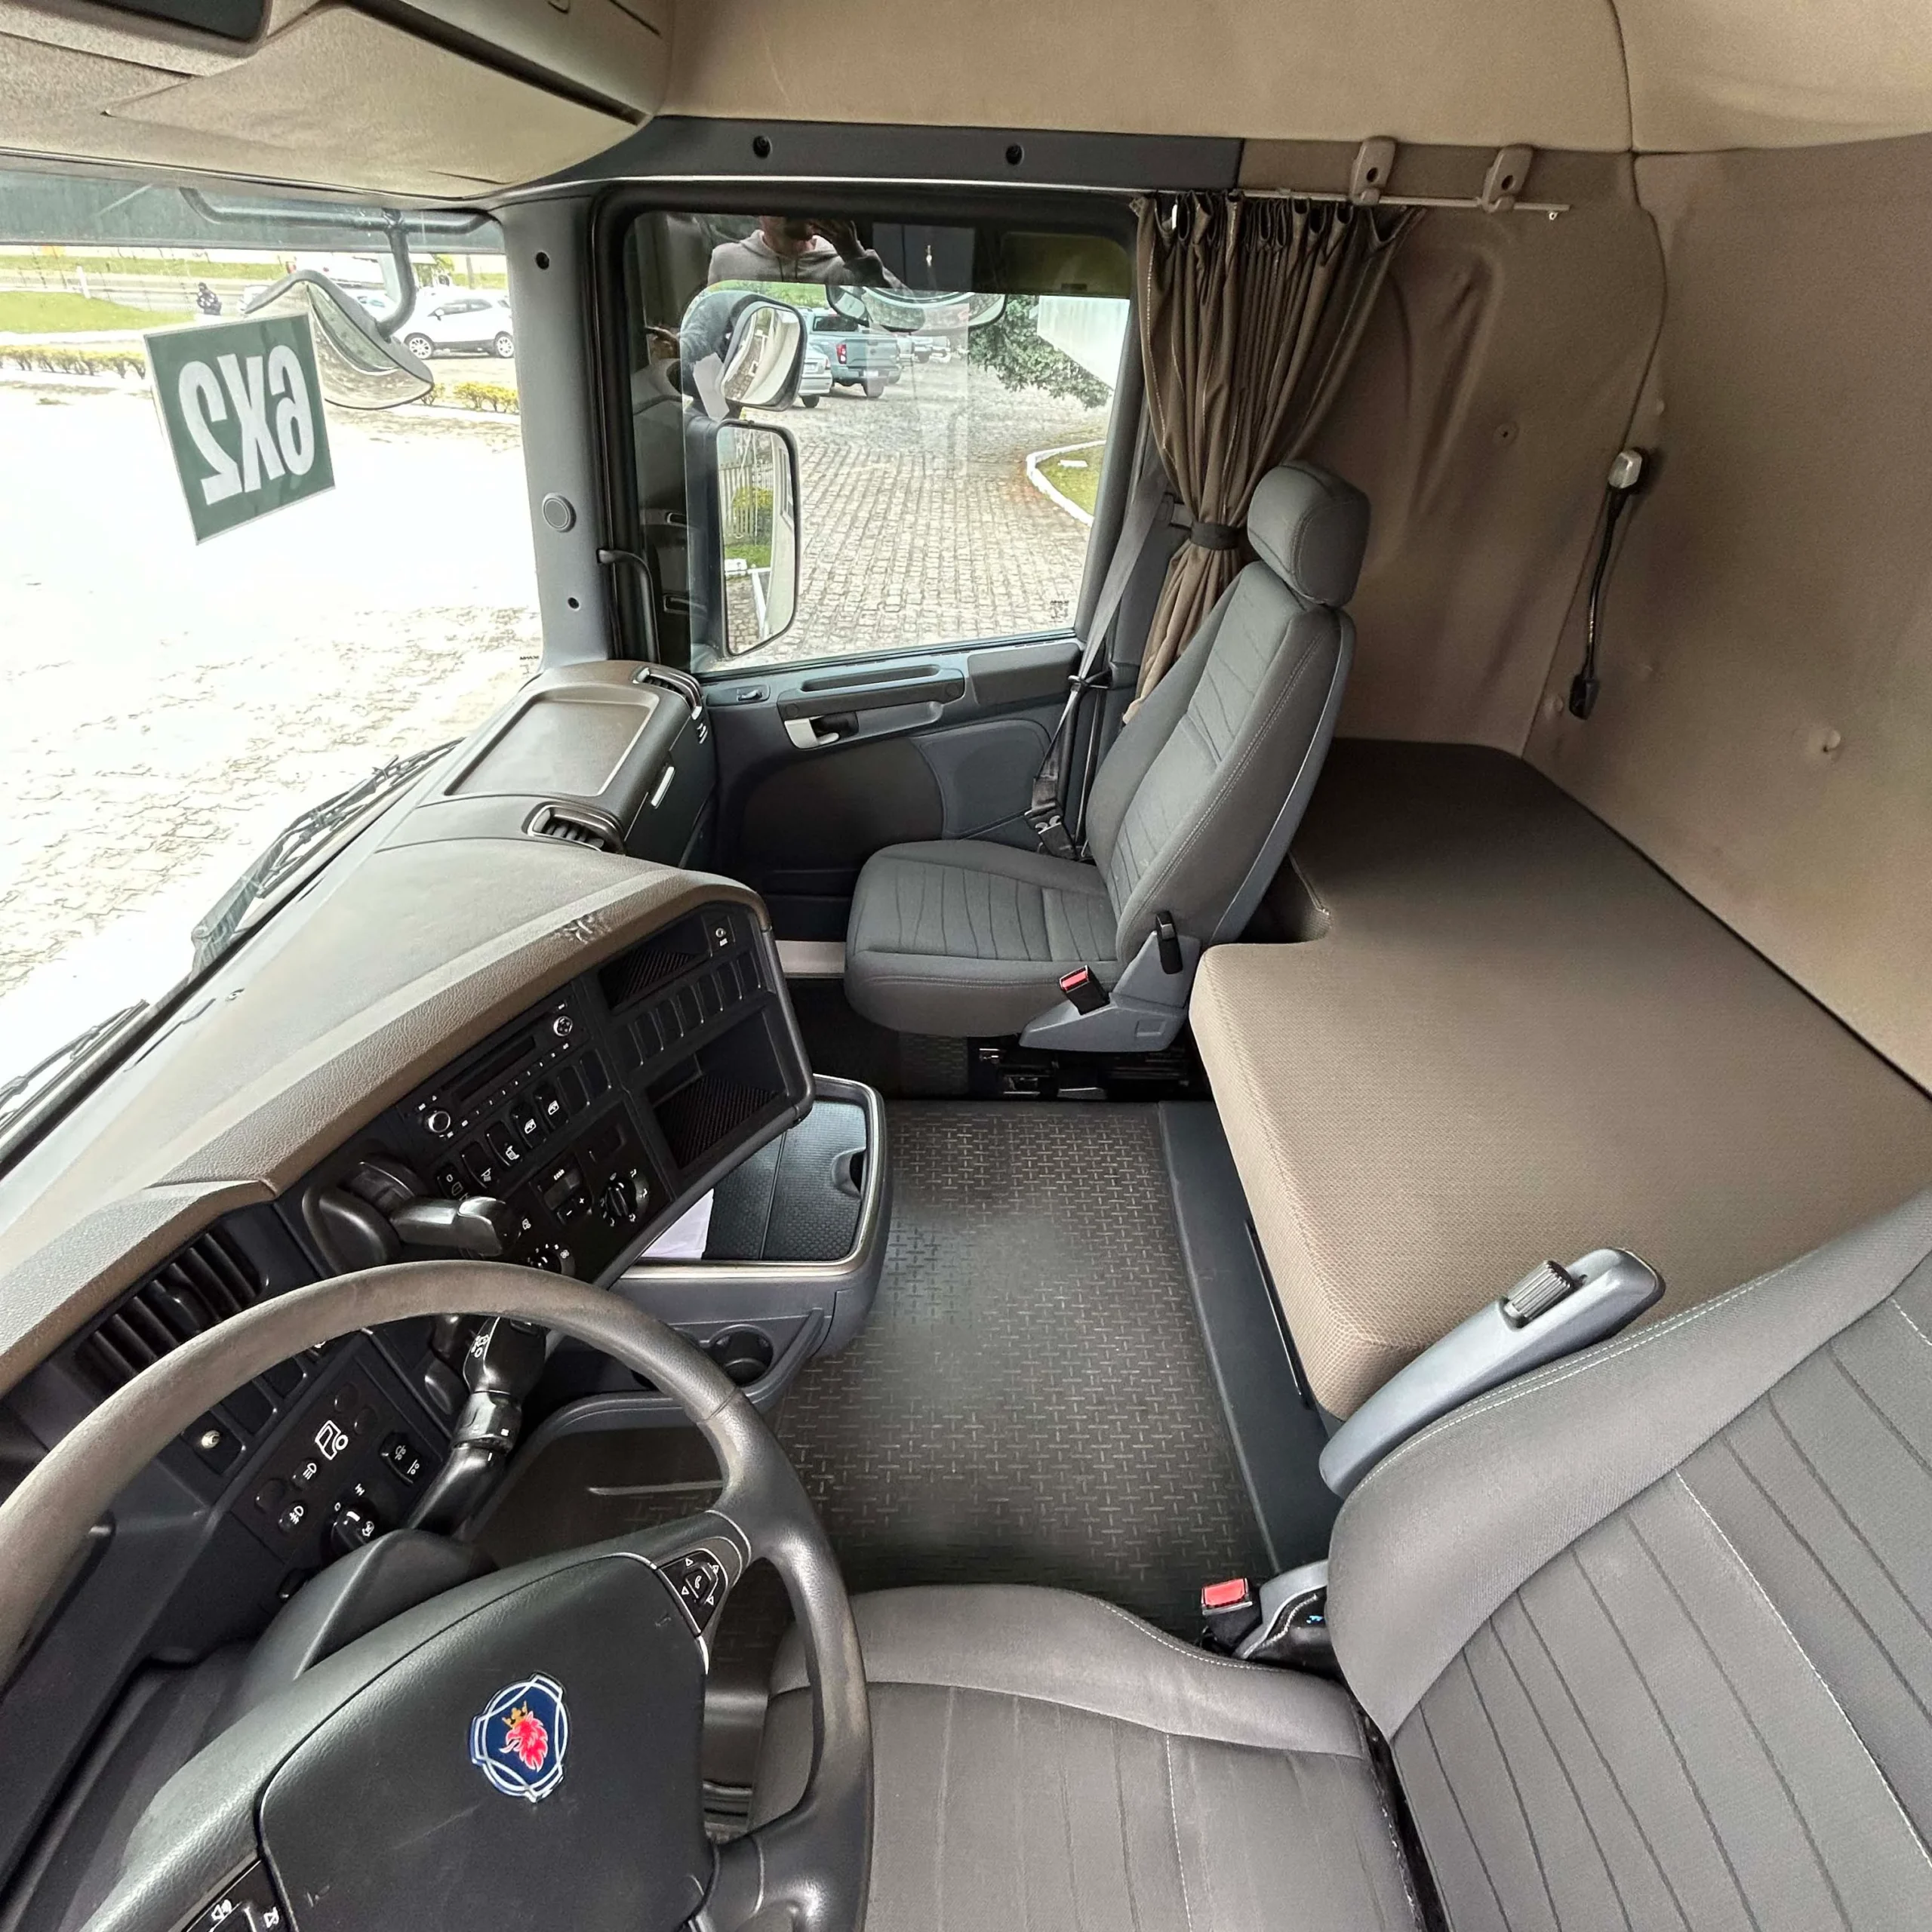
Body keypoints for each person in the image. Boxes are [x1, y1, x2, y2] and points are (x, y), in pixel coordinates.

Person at [706, 216, 896, 288]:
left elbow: (905, 318)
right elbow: (706, 335)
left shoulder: (842, 266)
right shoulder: (727, 261)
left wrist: (856, 257)